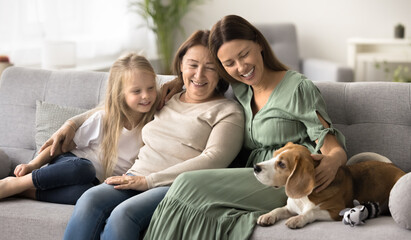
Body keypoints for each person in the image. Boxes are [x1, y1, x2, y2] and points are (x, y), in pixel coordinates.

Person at [144, 15, 347, 240]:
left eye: (244, 54)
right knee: (189, 192)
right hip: (251, 174)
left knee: (186, 182)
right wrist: (178, 81)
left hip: (285, 182)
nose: (241, 67)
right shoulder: (241, 87)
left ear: (258, 43)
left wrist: (335, 159)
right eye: (229, 63)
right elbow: (201, 64)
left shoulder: (298, 89)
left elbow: (331, 146)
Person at [57, 30, 244, 240]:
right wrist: (72, 123)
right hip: (135, 176)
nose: (199, 75)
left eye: (210, 68)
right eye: (192, 65)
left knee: (122, 215)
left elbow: (214, 159)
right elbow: (114, 107)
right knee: (89, 198)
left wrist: (148, 181)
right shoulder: (165, 97)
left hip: (178, 186)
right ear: (181, 65)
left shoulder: (228, 111)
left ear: (220, 72)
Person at [0, 54, 159, 205]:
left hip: (93, 181)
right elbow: (60, 146)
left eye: (151, 88)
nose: (146, 95)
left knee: (88, 194)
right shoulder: (104, 119)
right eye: (137, 91)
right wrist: (34, 164)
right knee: (84, 169)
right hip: (72, 164)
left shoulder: (154, 123)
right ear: (119, 93)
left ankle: (24, 192)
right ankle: (15, 184)